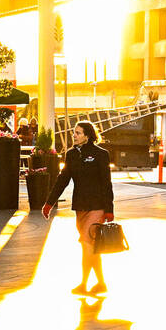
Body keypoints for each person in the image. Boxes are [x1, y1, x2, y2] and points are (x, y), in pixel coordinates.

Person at [42, 119, 115, 296]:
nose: (74, 135)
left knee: (87, 243)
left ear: (87, 136)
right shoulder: (71, 154)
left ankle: (83, 283)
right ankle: (101, 283)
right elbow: (62, 180)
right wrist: (49, 203)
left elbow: (107, 183)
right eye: (74, 132)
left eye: (78, 133)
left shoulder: (100, 154)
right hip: (80, 207)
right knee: (90, 246)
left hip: (97, 206)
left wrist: (109, 209)